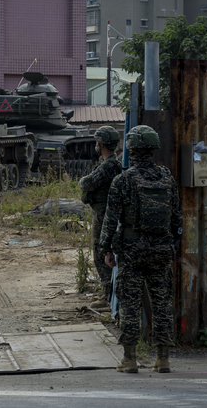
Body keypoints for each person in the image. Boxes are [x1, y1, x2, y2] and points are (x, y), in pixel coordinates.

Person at [99, 125, 182, 374]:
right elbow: (177, 219)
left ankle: (130, 359)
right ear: (153, 148)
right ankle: (163, 359)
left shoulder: (122, 180)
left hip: (132, 252)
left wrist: (106, 249)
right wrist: (171, 245)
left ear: (131, 148)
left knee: (130, 304)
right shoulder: (167, 178)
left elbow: (110, 220)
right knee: (161, 303)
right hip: (161, 251)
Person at [78, 125, 123, 309]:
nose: (96, 145)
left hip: (103, 212)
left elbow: (86, 183)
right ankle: (108, 292)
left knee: (101, 250)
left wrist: (82, 181)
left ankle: (107, 296)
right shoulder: (113, 163)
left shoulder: (109, 165)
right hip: (105, 211)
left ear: (101, 144)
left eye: (97, 142)